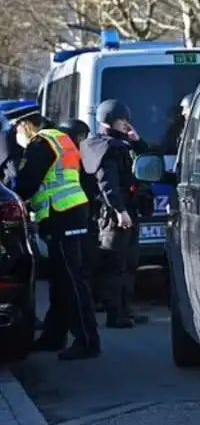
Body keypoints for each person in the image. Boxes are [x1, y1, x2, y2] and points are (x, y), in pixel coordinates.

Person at [3, 103, 100, 360]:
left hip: (61, 215)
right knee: (61, 279)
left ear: (25, 125)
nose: (17, 138)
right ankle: (53, 337)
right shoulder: (59, 137)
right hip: (71, 212)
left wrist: (11, 192)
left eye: (16, 132)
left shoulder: (41, 142)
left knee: (71, 279)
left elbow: (27, 183)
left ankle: (87, 341)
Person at [81, 100, 149, 328]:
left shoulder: (120, 144)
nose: (127, 125)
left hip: (127, 210)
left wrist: (137, 141)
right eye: (123, 121)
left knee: (129, 263)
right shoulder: (105, 148)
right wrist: (120, 211)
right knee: (114, 265)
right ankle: (114, 314)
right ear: (112, 121)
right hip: (114, 214)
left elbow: (145, 161)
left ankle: (125, 309)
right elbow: (107, 184)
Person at [58, 119, 105, 312]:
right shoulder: (79, 155)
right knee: (84, 261)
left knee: (79, 262)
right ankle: (86, 301)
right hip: (80, 216)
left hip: (68, 217)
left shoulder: (63, 154)